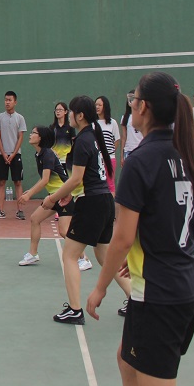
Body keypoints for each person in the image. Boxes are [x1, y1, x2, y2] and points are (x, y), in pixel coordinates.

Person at [86, 73, 194, 385]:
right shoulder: (185, 154)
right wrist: (142, 252)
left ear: (144, 107)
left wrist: (100, 288)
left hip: (159, 295)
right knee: (126, 359)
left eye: (133, 98)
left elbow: (121, 238)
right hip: (180, 283)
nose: (131, 104)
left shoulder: (141, 160)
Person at [42, 96, 131, 325]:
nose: (69, 115)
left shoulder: (83, 140)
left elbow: (76, 178)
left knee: (69, 255)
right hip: (104, 200)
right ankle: (136, 299)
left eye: (71, 111)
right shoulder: (93, 136)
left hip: (91, 203)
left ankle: (75, 310)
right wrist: (70, 194)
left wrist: (52, 198)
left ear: (79, 116)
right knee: (104, 255)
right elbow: (89, 176)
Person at [17, 125, 72, 265]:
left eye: (33, 133)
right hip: (54, 196)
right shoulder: (39, 154)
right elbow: (43, 178)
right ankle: (33, 254)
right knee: (35, 219)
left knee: (64, 231)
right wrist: (30, 191)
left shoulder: (47, 154)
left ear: (40, 138)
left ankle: (84, 258)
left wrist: (29, 195)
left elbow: (45, 180)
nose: (30, 135)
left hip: (64, 195)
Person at [0, 91, 27, 220]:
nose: (7, 102)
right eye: (6, 100)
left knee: (17, 182)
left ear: (15, 102)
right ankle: (1, 211)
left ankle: (20, 210)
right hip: (1, 155)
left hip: (16, 155)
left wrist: (13, 154)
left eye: (10, 100)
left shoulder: (20, 118)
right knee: (1, 182)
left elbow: (20, 137)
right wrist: (3, 153)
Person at [95, 95, 121, 194]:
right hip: (97, 159)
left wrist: (109, 153)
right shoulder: (93, 123)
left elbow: (117, 140)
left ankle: (111, 203)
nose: (97, 107)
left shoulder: (112, 122)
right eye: (96, 105)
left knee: (110, 185)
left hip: (110, 158)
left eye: (99, 105)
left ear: (105, 106)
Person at [120, 90, 143, 164]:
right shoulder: (125, 117)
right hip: (128, 150)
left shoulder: (142, 116)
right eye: (130, 99)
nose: (132, 101)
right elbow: (124, 137)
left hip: (140, 148)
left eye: (134, 98)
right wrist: (122, 155)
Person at [51, 102, 76, 166]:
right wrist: (53, 151)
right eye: (56, 110)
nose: (58, 112)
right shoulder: (52, 127)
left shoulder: (70, 127)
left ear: (66, 112)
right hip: (54, 160)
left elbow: (74, 142)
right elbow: (48, 143)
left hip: (67, 160)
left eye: (60, 110)